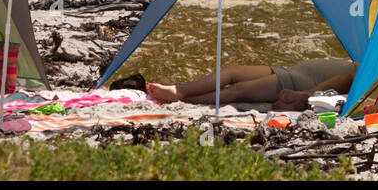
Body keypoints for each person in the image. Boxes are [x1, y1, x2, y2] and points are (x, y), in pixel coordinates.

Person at [145, 59, 358, 111]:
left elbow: (348, 81)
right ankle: (179, 89)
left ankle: (180, 95)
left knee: (235, 92)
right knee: (231, 69)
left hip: (299, 81)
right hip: (295, 70)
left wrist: (308, 94)